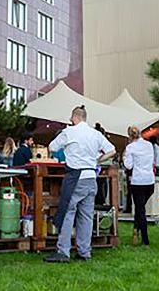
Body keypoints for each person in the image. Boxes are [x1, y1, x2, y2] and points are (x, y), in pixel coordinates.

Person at [44, 106, 116, 263]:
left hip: (76, 177)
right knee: (86, 216)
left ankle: (63, 251)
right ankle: (84, 252)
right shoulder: (95, 134)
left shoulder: (69, 132)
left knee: (68, 213)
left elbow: (52, 147)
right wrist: (97, 160)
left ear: (73, 118)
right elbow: (112, 150)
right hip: (91, 177)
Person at [123, 126, 155, 246]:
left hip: (138, 181)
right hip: (149, 181)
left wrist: (124, 156)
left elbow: (129, 166)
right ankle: (136, 229)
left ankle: (145, 238)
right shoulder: (149, 145)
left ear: (130, 136)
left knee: (140, 209)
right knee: (140, 208)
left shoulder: (130, 147)